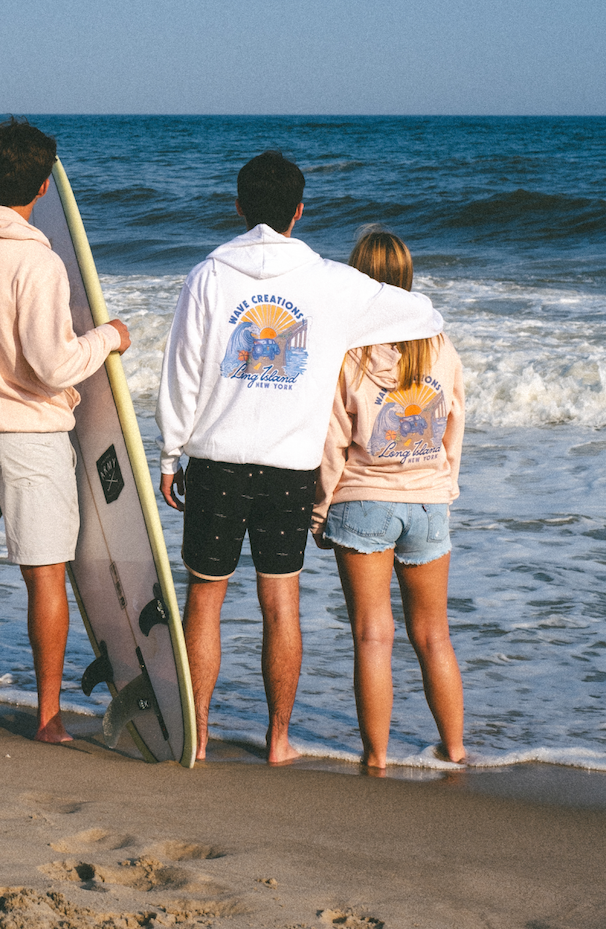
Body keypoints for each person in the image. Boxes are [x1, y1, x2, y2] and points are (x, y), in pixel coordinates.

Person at [157, 150, 444, 763]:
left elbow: (180, 372)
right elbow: (423, 311)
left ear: (237, 208)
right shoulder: (330, 282)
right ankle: (280, 739)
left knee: (204, 599)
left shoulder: (208, 274)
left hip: (215, 460)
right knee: (280, 603)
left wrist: (169, 452)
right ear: (299, 211)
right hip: (291, 468)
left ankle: (198, 734)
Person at [0, 118, 131, 744]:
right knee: (44, 574)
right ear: (43, 187)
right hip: (29, 439)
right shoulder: (35, 260)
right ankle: (46, 718)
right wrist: (110, 337)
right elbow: (54, 364)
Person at [312, 228, 465, 770]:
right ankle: (456, 749)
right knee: (434, 635)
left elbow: (333, 441)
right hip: (428, 500)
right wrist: (445, 485)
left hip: (361, 500)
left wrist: (319, 508)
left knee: (373, 636)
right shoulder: (439, 344)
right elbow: (453, 423)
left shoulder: (348, 351)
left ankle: (376, 757)